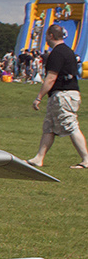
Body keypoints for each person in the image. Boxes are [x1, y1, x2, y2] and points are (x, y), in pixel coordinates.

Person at [26, 23, 88, 170]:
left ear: (51, 36)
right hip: (66, 94)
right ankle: (39, 158)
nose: (45, 39)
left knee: (70, 125)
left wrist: (39, 97)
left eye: (46, 36)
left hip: (63, 94)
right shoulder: (68, 51)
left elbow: (51, 78)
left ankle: (86, 159)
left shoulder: (57, 53)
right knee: (49, 126)